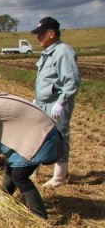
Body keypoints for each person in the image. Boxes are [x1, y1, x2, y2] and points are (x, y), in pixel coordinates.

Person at [0, 90, 63, 219]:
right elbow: (0, 143)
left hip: (41, 138)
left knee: (20, 176)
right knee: (12, 165)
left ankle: (40, 216)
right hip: (40, 134)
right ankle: (3, 201)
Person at [31, 16, 81, 188]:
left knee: (59, 137)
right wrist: (37, 98)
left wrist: (61, 103)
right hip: (42, 103)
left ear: (51, 34)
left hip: (56, 104)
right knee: (39, 135)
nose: (37, 37)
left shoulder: (63, 52)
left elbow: (71, 80)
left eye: (40, 34)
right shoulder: (48, 53)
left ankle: (59, 176)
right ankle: (33, 168)